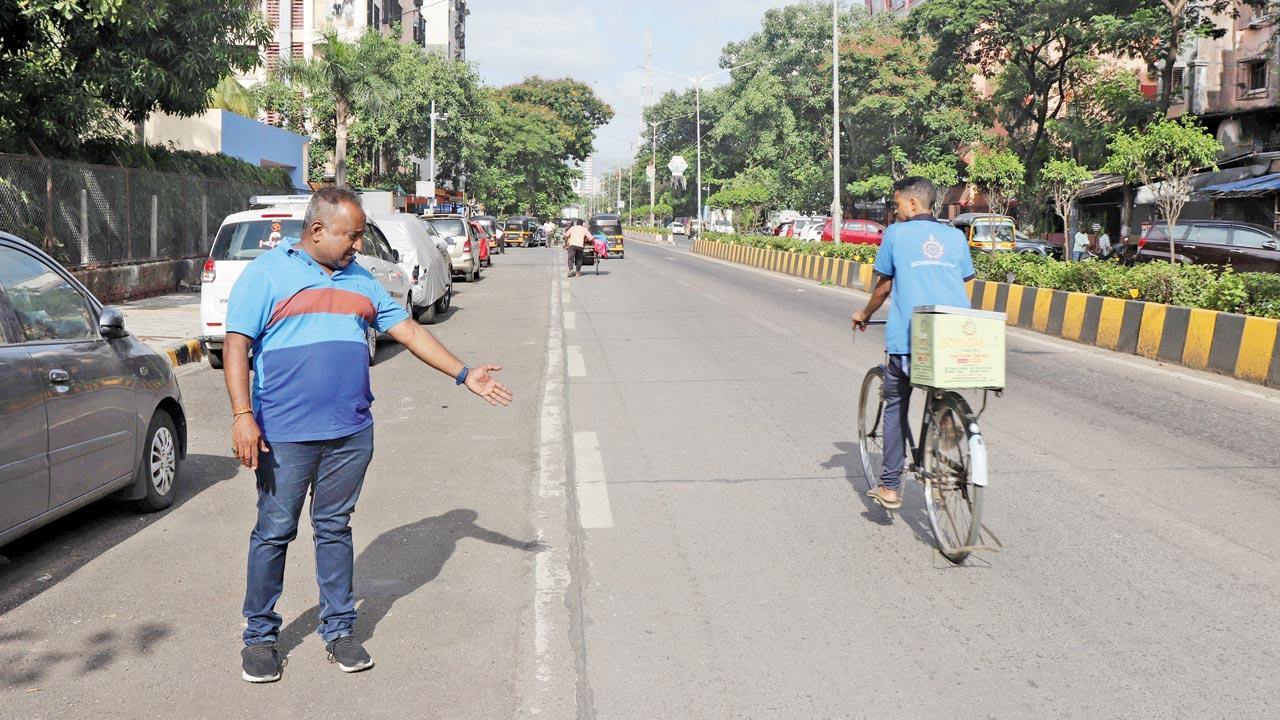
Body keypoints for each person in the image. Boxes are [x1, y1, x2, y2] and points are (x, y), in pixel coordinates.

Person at [223, 187, 513, 684]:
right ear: (317, 230)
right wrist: (241, 414)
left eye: (359, 235)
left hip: (350, 432)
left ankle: (338, 630)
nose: (358, 245)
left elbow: (411, 333)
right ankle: (260, 636)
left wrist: (465, 375)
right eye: (351, 235)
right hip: (285, 435)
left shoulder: (361, 280)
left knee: (335, 528)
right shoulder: (267, 274)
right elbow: (236, 343)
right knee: (275, 530)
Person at [850, 177, 975, 510]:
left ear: (914, 204)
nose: (895, 210)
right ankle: (945, 417)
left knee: (895, 403)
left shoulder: (895, 234)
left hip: (909, 338)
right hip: (954, 335)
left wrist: (863, 313)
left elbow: (883, 287)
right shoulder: (954, 237)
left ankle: (890, 486)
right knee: (938, 382)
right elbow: (964, 285)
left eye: (897, 204)